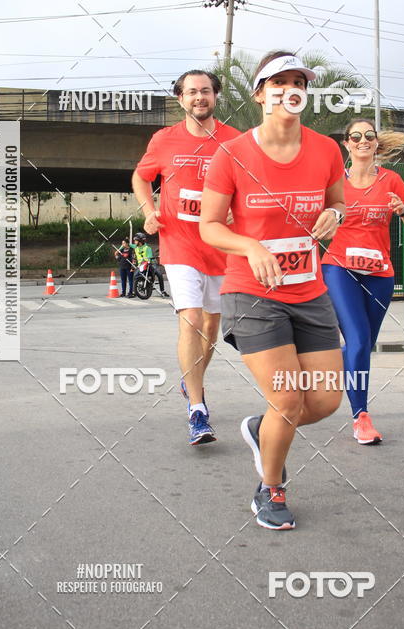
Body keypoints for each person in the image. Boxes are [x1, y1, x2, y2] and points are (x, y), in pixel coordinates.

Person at [200, 51, 346, 530]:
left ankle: (260, 431)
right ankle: (271, 487)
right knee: (288, 398)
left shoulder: (325, 149)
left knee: (324, 400)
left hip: (309, 289)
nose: (289, 88)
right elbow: (209, 227)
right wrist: (251, 246)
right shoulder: (232, 154)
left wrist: (335, 217)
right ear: (260, 93)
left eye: (298, 81)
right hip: (252, 291)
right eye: (277, 81)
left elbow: (338, 203)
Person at [132, 70, 240, 445]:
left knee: (211, 328)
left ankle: (190, 379)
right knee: (191, 320)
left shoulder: (234, 141)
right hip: (178, 244)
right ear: (180, 98)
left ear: (215, 97)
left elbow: (248, 189)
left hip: (220, 248)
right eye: (192, 92)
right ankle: (198, 409)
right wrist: (149, 209)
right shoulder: (164, 140)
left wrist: (235, 212)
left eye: (206, 91)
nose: (199, 97)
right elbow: (141, 176)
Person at [321, 119, 404, 444]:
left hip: (380, 274)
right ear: (346, 144)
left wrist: (402, 211)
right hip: (339, 267)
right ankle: (361, 417)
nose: (362, 140)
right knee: (358, 340)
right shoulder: (334, 183)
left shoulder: (391, 180)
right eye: (355, 136)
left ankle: (343, 364)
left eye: (368, 136)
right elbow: (307, 216)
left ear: (375, 143)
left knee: (364, 345)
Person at [128, 232, 168, 297]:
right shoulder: (136, 247)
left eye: (135, 240)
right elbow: (127, 245)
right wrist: (126, 242)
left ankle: (162, 291)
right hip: (141, 265)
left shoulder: (147, 248)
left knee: (159, 274)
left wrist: (145, 259)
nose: (134, 242)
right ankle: (134, 291)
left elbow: (149, 257)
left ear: (140, 241)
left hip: (151, 264)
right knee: (135, 275)